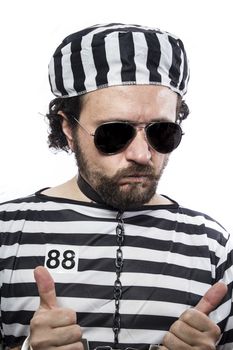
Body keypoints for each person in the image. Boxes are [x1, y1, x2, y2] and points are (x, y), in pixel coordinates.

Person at [0, 23, 232, 350]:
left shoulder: (212, 248)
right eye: (113, 133)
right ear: (68, 127)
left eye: (161, 132)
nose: (141, 155)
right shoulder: (7, 233)